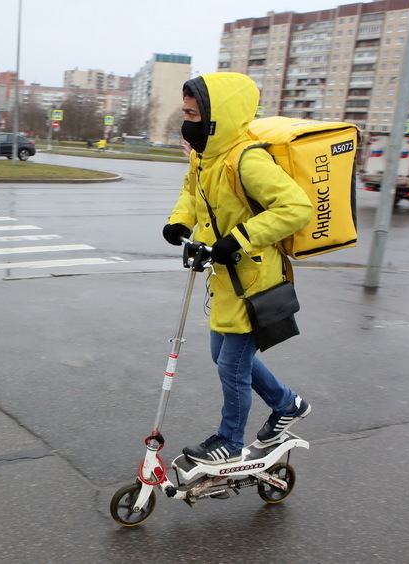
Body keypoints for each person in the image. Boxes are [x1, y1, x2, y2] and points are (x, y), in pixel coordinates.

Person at [162, 72, 314, 465]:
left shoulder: (247, 159)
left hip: (254, 280)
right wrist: (180, 221)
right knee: (223, 354)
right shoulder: (203, 156)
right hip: (226, 275)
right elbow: (192, 194)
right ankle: (288, 404)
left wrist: (240, 237)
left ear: (217, 116)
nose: (187, 121)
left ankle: (230, 442)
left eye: (193, 114)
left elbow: (296, 207)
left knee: (232, 364)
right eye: (186, 113)